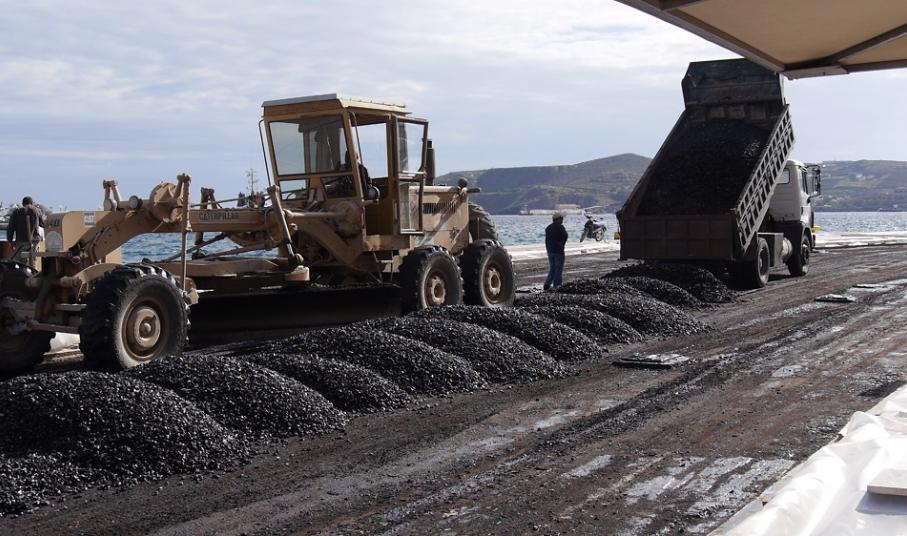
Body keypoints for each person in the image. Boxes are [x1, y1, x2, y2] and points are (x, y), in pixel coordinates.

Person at [6, 196, 44, 266]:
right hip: (35, 239)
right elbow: (42, 224)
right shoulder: (37, 210)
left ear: (22, 204)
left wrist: (10, 241)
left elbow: (11, 227)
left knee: (21, 261)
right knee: (32, 259)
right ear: (31, 203)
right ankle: (32, 271)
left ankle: (23, 272)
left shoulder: (17, 211)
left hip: (22, 240)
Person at [544, 212, 568, 290]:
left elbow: (547, 240)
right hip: (558, 251)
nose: (562, 220)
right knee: (558, 269)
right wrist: (562, 243)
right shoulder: (560, 227)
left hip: (550, 251)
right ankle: (557, 285)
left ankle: (547, 284)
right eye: (561, 218)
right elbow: (565, 235)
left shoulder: (548, 228)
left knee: (552, 268)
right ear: (557, 219)